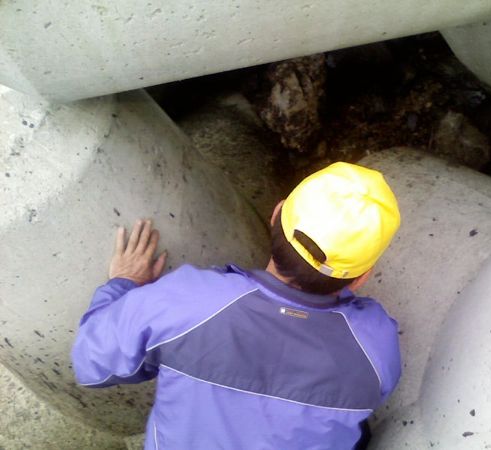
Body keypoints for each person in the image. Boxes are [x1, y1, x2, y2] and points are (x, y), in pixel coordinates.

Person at [72, 161, 402, 449]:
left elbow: (91, 362)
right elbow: (373, 395)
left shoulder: (187, 303)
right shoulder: (376, 347)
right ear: (361, 277)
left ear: (276, 214)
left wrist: (122, 283)